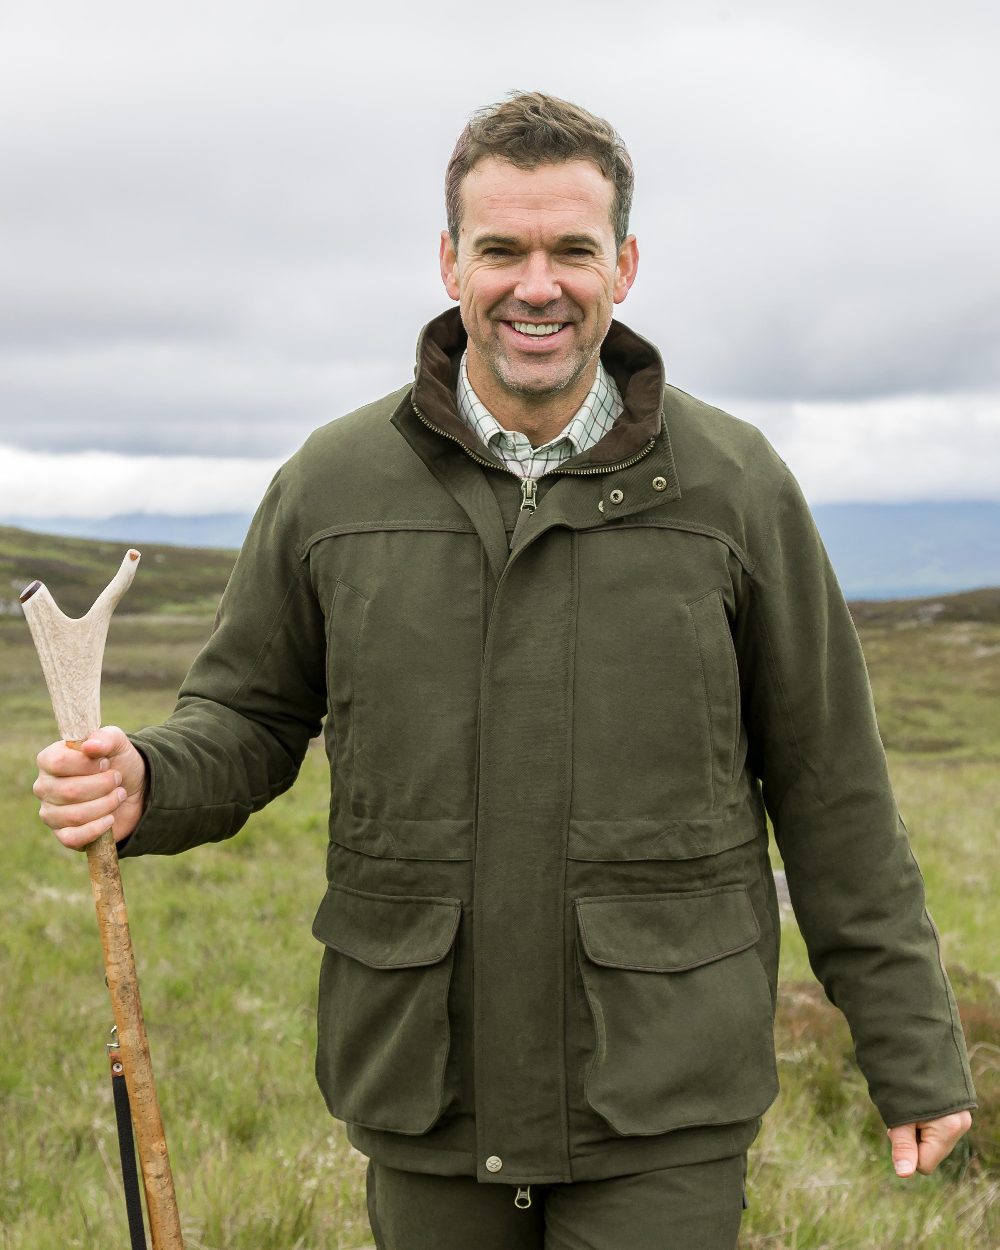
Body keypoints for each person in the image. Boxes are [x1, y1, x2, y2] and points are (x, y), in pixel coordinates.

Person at [33, 91, 975, 1250]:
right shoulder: (333, 485)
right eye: (502, 249)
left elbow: (834, 790)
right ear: (450, 262)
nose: (538, 283)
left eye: (571, 248)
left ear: (622, 265)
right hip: (426, 1087)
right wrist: (149, 778)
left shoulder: (737, 487)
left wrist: (912, 1051)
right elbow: (246, 712)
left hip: (660, 1097)